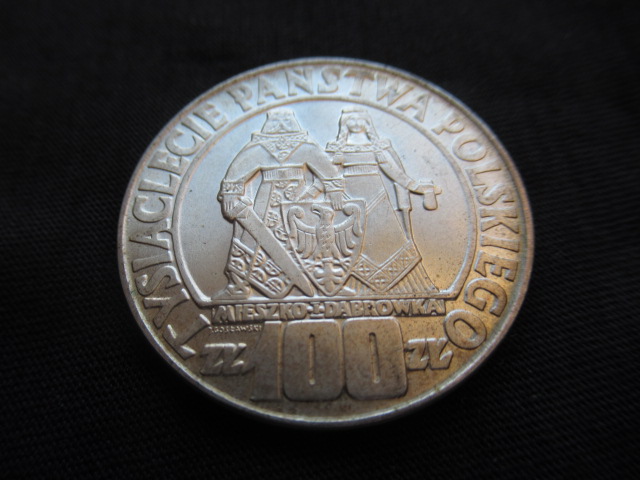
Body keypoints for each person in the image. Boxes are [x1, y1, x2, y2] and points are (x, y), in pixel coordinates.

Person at [215, 109, 344, 300]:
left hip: (299, 203)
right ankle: (238, 286)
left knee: (303, 243)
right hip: (266, 201)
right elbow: (237, 172)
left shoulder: (305, 146)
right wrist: (230, 196)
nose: (282, 125)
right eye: (277, 120)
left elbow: (327, 169)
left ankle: (316, 284)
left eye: (286, 120)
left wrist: (334, 189)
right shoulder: (258, 147)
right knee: (247, 240)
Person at [325, 107, 440, 295]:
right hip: (349, 199)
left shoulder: (377, 147)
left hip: (377, 196)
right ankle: (350, 288)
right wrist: (326, 192)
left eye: (360, 120)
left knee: (389, 239)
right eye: (351, 120)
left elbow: (394, 173)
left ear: (367, 123)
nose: (356, 124)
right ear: (344, 124)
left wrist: (416, 187)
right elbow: (328, 174)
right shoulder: (337, 148)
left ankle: (404, 288)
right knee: (349, 243)